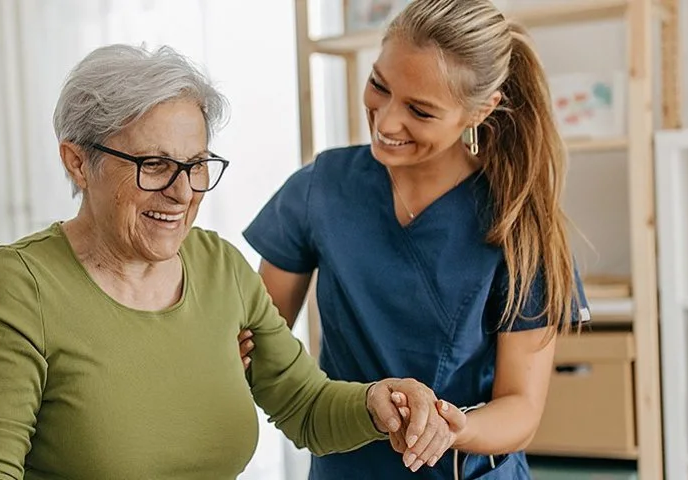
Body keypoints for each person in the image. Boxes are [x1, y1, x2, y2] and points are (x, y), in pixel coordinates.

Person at [0, 43, 460, 480]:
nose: (183, 192)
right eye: (154, 165)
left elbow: (305, 405)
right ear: (78, 162)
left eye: (196, 165)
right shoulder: (20, 285)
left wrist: (376, 402)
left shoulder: (221, 267)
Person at [241, 0, 591, 478]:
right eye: (379, 85)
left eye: (420, 110)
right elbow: (260, 339)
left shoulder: (517, 223)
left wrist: (452, 428)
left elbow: (521, 408)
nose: (386, 123)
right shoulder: (321, 189)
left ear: (480, 110)